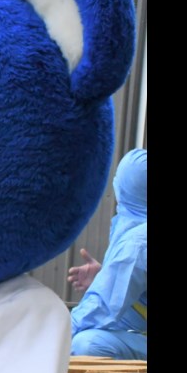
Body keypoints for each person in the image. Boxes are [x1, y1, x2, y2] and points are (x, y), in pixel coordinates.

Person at [68, 148, 147, 360]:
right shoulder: (137, 229)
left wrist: (52, 338)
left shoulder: (139, 242)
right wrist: (105, 278)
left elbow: (102, 308)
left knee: (86, 344)